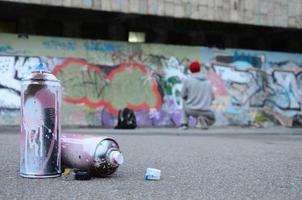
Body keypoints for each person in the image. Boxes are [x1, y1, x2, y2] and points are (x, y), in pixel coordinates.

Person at [179, 61, 215, 130]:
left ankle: (184, 123)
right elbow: (213, 98)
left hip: (191, 110)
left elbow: (183, 95)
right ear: (199, 69)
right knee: (213, 119)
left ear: (190, 70)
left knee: (183, 100)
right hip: (206, 111)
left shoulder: (188, 80)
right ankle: (205, 121)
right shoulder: (209, 81)